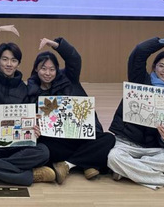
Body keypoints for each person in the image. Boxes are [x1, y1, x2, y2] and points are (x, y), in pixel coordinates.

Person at [0, 25, 52, 186]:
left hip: (15, 146)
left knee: (44, 152)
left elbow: (28, 123)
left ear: (18, 64)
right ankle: (27, 176)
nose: (9, 64)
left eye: (13, 60)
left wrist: (34, 128)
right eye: (4, 59)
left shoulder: (25, 90)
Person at [107, 37, 164, 191]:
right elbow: (139, 52)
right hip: (126, 144)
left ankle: (129, 170)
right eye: (161, 66)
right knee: (113, 157)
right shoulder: (140, 80)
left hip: (153, 150)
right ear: (154, 67)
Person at [27, 37, 116, 184]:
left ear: (57, 70)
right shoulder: (30, 91)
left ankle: (67, 165)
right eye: (43, 68)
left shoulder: (68, 79)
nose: (48, 73)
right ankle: (88, 162)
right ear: (36, 69)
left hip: (80, 136)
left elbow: (74, 59)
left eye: (52, 69)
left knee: (109, 139)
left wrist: (56, 45)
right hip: (58, 141)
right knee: (43, 148)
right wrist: (35, 122)